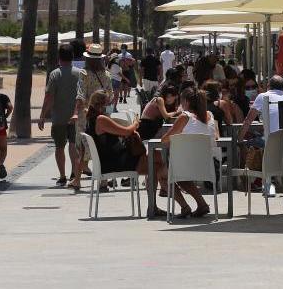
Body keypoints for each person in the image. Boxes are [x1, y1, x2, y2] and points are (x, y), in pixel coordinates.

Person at [85, 90, 168, 218]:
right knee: (156, 163)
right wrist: (135, 123)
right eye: (109, 103)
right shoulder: (101, 119)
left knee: (157, 159)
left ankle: (158, 199)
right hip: (115, 162)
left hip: (115, 158)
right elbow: (126, 131)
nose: (111, 105)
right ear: (101, 104)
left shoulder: (93, 118)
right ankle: (156, 203)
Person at [161, 87, 219, 218]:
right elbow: (216, 137)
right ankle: (202, 204)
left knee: (162, 174)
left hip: (185, 166)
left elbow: (164, 140)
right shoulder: (210, 115)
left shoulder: (184, 117)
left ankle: (184, 207)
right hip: (207, 166)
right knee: (182, 175)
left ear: (186, 102)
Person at [40, 46, 82, 188]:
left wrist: (42, 115)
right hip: (76, 117)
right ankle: (75, 175)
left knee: (59, 147)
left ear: (59, 57)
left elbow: (49, 96)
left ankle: (62, 176)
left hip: (59, 117)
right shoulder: (79, 73)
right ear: (72, 57)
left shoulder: (54, 74)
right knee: (73, 145)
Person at [239, 75, 283, 147]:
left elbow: (248, 120)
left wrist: (239, 140)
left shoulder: (263, 96)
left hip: (269, 140)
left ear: (268, 85)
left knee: (244, 144)